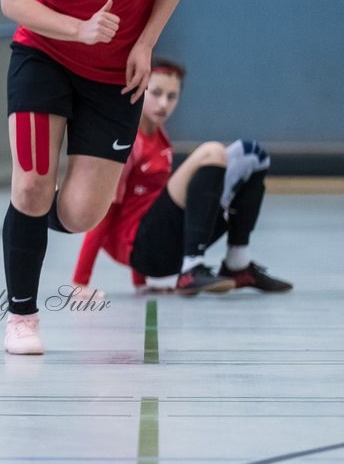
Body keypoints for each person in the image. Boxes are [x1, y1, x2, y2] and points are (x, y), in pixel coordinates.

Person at [0, 0, 191, 355]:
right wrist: (76, 29)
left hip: (117, 73)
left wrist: (146, 41)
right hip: (46, 55)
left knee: (81, 214)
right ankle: (22, 317)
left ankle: (28, 217)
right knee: (32, 185)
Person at [70, 59, 291, 297]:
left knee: (254, 156)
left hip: (165, 250)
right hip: (144, 251)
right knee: (212, 152)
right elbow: (105, 214)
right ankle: (191, 269)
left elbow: (152, 207)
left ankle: (237, 263)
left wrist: (142, 284)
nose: (163, 104)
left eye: (171, 96)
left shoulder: (161, 139)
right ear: (138, 88)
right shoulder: (127, 142)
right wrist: (80, 281)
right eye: (156, 93)